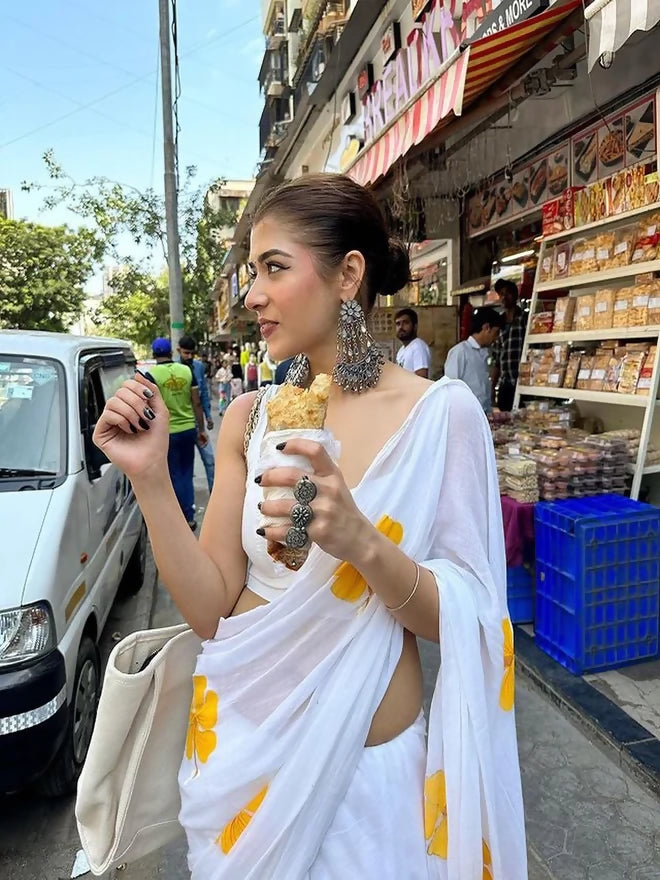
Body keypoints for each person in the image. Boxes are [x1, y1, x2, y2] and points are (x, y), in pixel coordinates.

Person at [92, 173, 526, 879]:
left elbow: (469, 618)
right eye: (251, 273)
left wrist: (359, 539)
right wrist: (148, 480)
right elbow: (209, 611)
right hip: (240, 764)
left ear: (347, 274)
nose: (252, 294)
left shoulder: (441, 415)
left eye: (274, 268)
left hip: (368, 783)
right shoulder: (249, 417)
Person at [144, 338, 207, 531]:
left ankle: (178, 518)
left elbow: (148, 407)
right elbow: (196, 402)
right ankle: (188, 515)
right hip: (188, 429)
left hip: (167, 433)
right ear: (172, 352)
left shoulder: (151, 375)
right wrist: (201, 429)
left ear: (154, 355)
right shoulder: (186, 371)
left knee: (173, 475)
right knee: (186, 474)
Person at [444, 307, 504, 413]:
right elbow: (450, 387)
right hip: (464, 415)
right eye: (496, 332)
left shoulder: (485, 353)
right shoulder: (460, 352)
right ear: (486, 328)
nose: (497, 337)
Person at [179, 335, 215, 493]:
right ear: (178, 351)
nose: (188, 356)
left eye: (191, 354)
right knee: (185, 466)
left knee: (210, 460)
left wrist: (208, 416)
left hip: (198, 422)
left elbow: (204, 394)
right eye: (185, 353)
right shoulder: (174, 369)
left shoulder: (198, 367)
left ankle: (214, 493)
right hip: (182, 425)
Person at [491, 279, 526, 412]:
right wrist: (492, 389)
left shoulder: (524, 318)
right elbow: (496, 359)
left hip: (523, 382)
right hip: (505, 385)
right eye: (501, 294)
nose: (504, 297)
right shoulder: (499, 323)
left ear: (515, 296)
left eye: (508, 293)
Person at [395, 308, 432, 377]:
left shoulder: (418, 347)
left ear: (415, 326)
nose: (401, 327)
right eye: (398, 324)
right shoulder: (402, 350)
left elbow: (421, 378)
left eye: (405, 323)